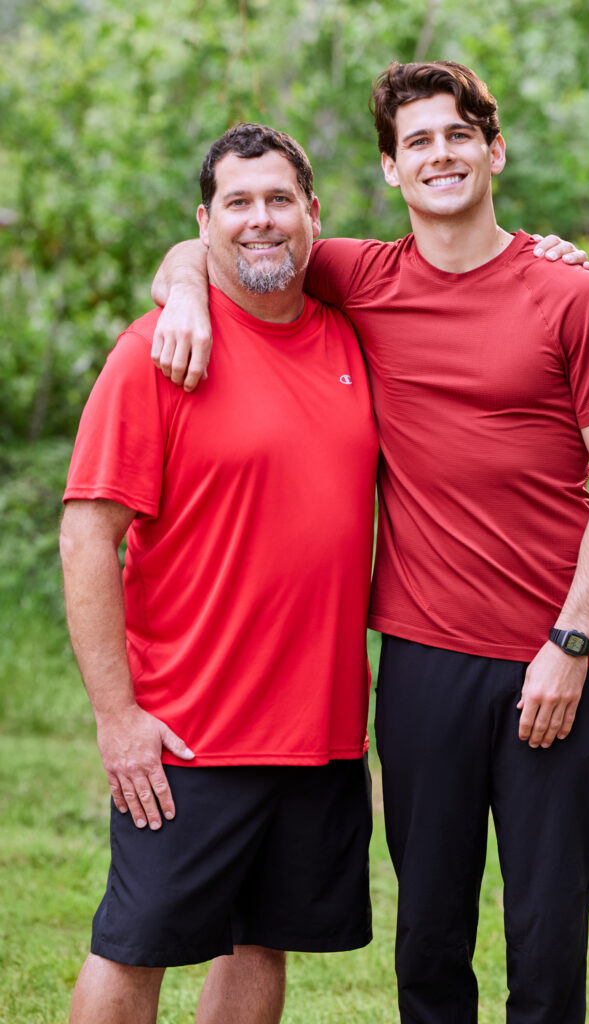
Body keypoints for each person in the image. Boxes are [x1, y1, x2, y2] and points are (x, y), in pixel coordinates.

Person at [151, 61, 589, 1024]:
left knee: (547, 942)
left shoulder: (569, 295)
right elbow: (228, 237)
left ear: (492, 150)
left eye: (458, 134)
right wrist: (182, 291)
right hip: (422, 663)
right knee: (428, 939)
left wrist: (572, 641)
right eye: (416, 141)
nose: (440, 154)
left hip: (555, 658)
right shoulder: (360, 276)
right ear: (389, 169)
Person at [59, 123, 379, 1024]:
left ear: (313, 214)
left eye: (279, 199)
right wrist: (118, 720)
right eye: (237, 202)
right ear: (205, 222)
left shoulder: (353, 339)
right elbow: (86, 538)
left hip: (318, 733)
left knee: (260, 941)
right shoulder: (158, 352)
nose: (261, 219)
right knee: (135, 947)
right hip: (189, 734)